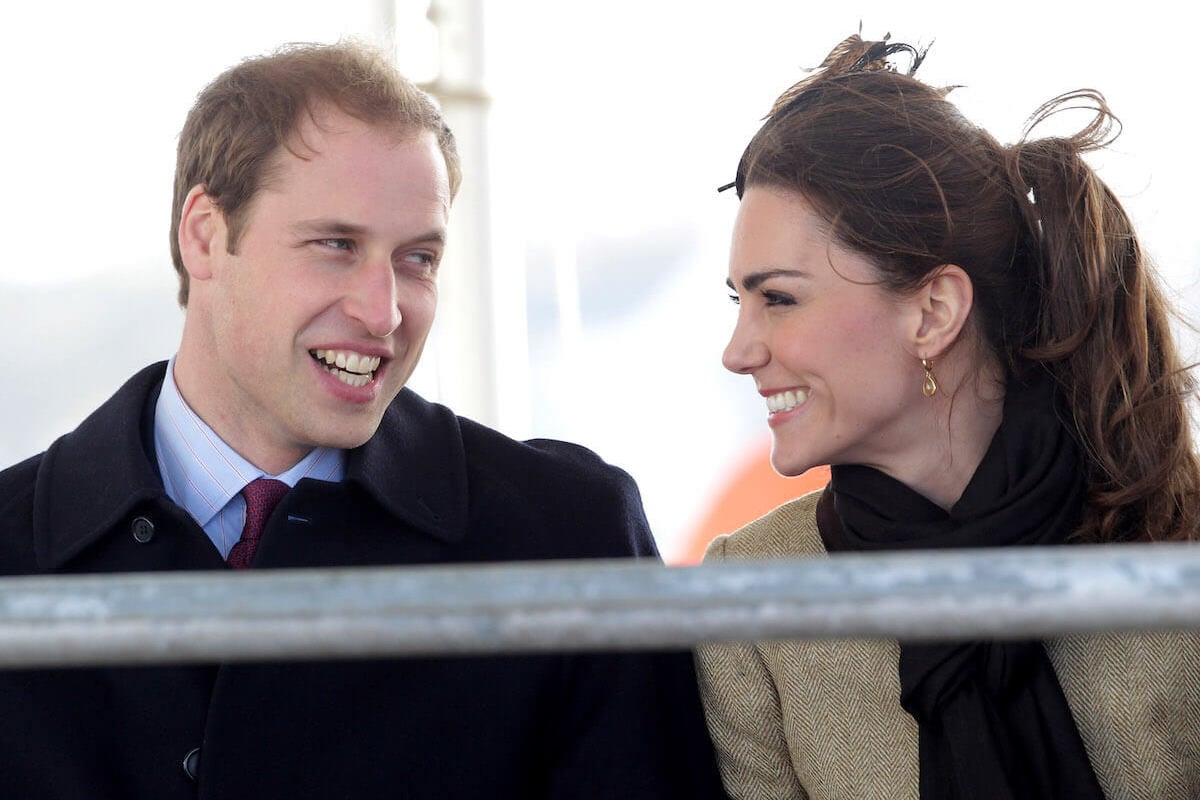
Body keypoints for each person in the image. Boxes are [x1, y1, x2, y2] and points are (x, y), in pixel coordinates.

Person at [0, 41, 726, 799]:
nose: (384, 312)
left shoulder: (571, 541)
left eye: (418, 259)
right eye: (336, 245)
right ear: (205, 235)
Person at [696, 33, 1200, 800]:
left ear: (933, 311)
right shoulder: (754, 595)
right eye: (741, 302)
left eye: (779, 299)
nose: (738, 352)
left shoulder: (1172, 547)